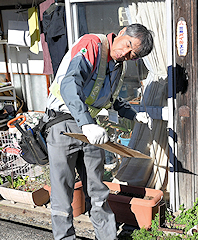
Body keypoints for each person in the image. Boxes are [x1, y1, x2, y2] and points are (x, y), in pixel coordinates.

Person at [43, 23, 154, 240]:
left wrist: (133, 114)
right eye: (129, 45)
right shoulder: (92, 43)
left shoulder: (117, 65)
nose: (126, 54)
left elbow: (108, 98)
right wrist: (86, 123)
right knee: (62, 192)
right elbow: (70, 84)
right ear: (121, 33)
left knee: (98, 191)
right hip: (63, 124)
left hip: (91, 130)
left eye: (133, 55)